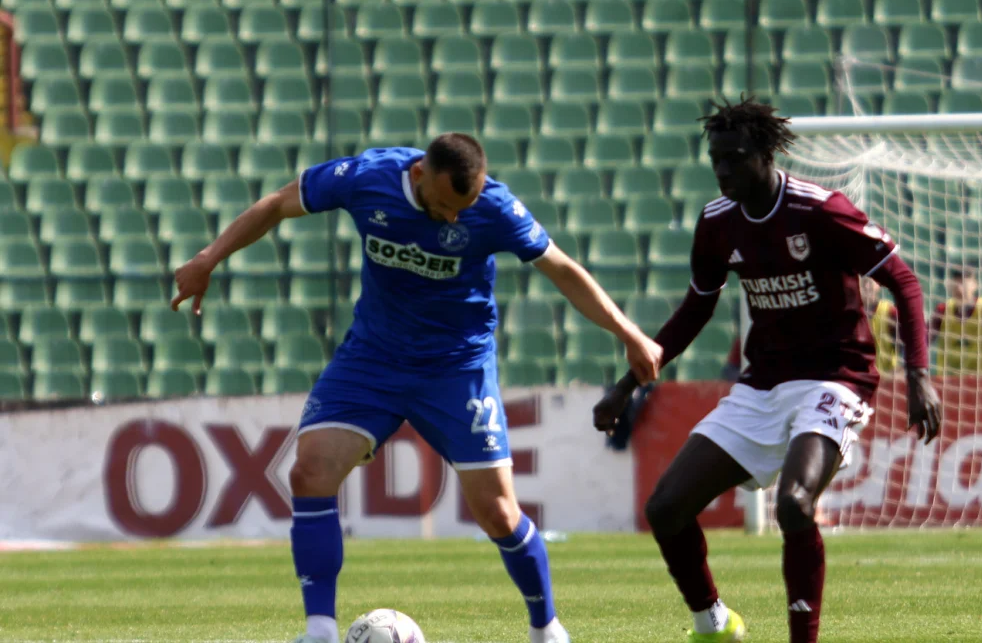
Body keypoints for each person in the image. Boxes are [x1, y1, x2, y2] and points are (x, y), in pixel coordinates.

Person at [171, 134, 663, 643]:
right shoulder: (368, 179)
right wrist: (208, 258)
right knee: (310, 469)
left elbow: (560, 267)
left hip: (456, 365)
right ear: (420, 174)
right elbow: (277, 203)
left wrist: (627, 333)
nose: (455, 219)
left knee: (497, 511)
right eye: (447, 207)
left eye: (463, 209)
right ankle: (319, 629)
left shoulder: (493, 206)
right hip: (374, 357)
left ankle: (546, 628)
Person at [593, 97, 943, 643]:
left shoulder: (820, 211)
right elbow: (695, 310)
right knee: (665, 508)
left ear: (764, 154)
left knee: (795, 504)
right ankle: (713, 622)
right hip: (764, 384)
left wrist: (918, 375)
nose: (723, 169)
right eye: (716, 158)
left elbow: (905, 282)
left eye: (734, 157)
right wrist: (626, 386)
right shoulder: (717, 224)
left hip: (836, 376)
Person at [930, 266, 982, 376]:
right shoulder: (942, 310)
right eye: (956, 284)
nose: (959, 289)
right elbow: (923, 338)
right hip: (947, 381)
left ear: (974, 285)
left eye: (963, 284)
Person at [861, 275, 901, 376]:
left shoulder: (889, 312)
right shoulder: (850, 312)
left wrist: (900, 367)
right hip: (860, 378)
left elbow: (905, 345)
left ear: (878, 285)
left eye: (871, 281)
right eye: (863, 281)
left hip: (886, 379)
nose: (867, 286)